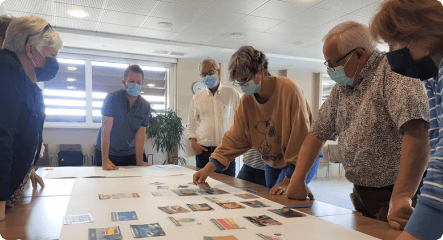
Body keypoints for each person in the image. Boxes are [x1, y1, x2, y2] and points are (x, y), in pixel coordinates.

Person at [286, 21, 430, 228]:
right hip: (362, 192)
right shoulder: (342, 87)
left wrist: (402, 196)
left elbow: (418, 130)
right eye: (327, 64)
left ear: (360, 54)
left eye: (334, 63)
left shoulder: (393, 73)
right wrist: (298, 179)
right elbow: (317, 133)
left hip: (396, 193)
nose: (331, 70)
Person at [193, 46, 320, 192]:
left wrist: (289, 179)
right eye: (239, 82)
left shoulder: (289, 91)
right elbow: (235, 138)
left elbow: (301, 138)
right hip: (273, 160)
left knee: (286, 195)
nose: (243, 86)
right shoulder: (247, 100)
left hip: (302, 157)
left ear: (260, 70)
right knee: (273, 200)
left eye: (246, 80)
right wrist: (208, 168)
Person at [370, 1, 443, 239]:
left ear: (419, 33)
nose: (391, 52)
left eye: (393, 42)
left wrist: (421, 228)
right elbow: (437, 144)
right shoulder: (432, 78)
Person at [0, 15, 63, 221]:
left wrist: (27, 168)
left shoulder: (27, 79)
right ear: (29, 49)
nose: (54, 62)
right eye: (51, 54)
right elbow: (2, 138)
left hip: (16, 185)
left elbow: (26, 131)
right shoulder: (7, 70)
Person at [187, 59, 240, 177]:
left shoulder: (232, 93)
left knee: (228, 186)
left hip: (226, 151)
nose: (207, 77)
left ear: (218, 72)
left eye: (210, 73)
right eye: (203, 74)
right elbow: (191, 124)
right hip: (204, 152)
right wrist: (193, 144)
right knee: (202, 186)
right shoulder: (197, 98)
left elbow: (241, 120)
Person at [95, 65, 152, 170]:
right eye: (131, 81)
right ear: (124, 82)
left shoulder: (145, 105)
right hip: (108, 152)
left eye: (138, 82)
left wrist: (139, 161)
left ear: (142, 83)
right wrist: (105, 160)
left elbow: (140, 136)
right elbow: (106, 130)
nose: (135, 85)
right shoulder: (112, 98)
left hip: (129, 153)